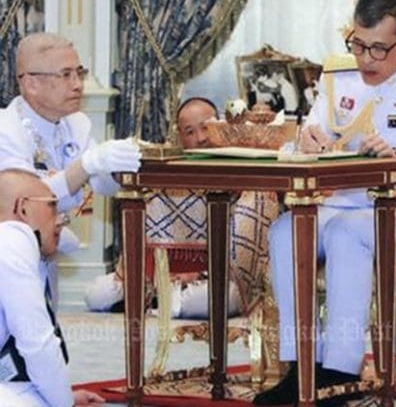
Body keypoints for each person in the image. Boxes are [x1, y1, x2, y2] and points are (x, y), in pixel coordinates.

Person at [253, 0, 396, 406]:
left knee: (350, 234)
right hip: (342, 206)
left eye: (378, 49)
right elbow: (306, 143)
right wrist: (305, 142)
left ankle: (339, 375)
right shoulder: (338, 77)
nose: (365, 59)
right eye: (357, 43)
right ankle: (301, 368)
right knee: (284, 230)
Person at [0, 32, 141, 306]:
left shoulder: (75, 124)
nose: (77, 85)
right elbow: (27, 205)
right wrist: (90, 163)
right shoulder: (6, 130)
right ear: (30, 83)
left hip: (46, 250)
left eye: (79, 73)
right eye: (65, 75)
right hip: (8, 257)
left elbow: (102, 185)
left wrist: (114, 165)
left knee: (47, 322)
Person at [83, 97, 249, 318]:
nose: (200, 139)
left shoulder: (241, 168)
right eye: (190, 132)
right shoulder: (163, 174)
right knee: (96, 294)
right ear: (179, 136)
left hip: (210, 281)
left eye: (206, 128)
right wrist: (150, 278)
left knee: (223, 298)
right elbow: (141, 241)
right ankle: (161, 301)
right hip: (157, 280)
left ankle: (161, 304)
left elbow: (243, 252)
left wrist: (199, 274)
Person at [0, 169, 105, 407]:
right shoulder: (12, 239)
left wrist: (65, 398)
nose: (60, 219)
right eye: (52, 207)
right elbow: (37, 343)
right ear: (23, 208)